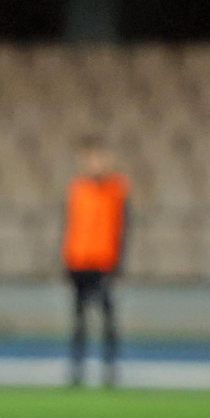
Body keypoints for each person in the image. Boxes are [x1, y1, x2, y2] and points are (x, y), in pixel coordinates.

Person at [61, 136, 131, 387]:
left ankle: (110, 370)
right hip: (80, 260)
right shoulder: (77, 189)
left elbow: (122, 228)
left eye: (99, 159)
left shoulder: (117, 190)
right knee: (79, 320)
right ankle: (76, 370)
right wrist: (66, 259)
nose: (95, 164)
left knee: (107, 317)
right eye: (90, 159)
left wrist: (119, 264)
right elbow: (70, 225)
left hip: (104, 261)